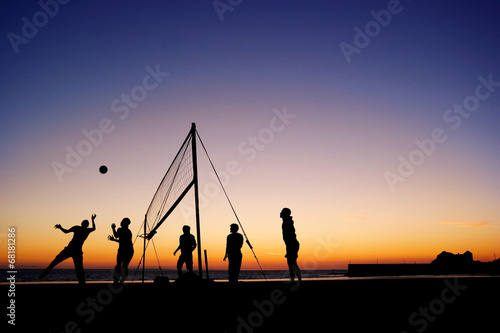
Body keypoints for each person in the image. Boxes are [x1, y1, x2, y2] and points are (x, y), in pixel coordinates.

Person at [39, 214, 97, 285]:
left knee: (78, 268)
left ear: (85, 225)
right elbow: (66, 231)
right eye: (84, 223)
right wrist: (60, 228)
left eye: (85, 223)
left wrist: (93, 220)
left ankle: (82, 283)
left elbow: (66, 232)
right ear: (82, 224)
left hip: (76, 251)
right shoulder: (79, 228)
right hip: (70, 249)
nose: (84, 224)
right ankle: (44, 274)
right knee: (58, 261)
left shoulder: (85, 230)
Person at [108, 217, 134, 285]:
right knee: (119, 265)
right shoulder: (123, 230)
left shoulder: (127, 232)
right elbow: (117, 236)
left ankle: (121, 280)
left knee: (124, 266)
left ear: (125, 224)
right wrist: (113, 229)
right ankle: (117, 280)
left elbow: (121, 240)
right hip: (123, 250)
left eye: (122, 221)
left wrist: (113, 229)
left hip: (128, 250)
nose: (121, 222)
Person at [280, 208, 301, 282]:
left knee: (292, 262)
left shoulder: (287, 222)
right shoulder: (287, 221)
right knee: (291, 262)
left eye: (282, 212)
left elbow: (290, 235)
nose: (280, 213)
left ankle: (297, 279)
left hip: (292, 244)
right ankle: (295, 278)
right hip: (290, 244)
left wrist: (290, 245)